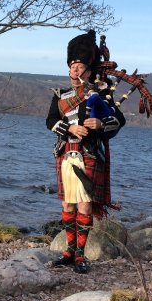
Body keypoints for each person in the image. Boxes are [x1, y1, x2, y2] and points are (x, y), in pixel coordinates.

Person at [46, 30, 125, 274]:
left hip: (90, 153)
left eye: (79, 66)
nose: (75, 71)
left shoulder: (102, 95)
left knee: (85, 206)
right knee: (68, 204)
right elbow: (50, 121)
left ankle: (80, 255)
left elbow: (119, 120)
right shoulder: (60, 97)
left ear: (90, 70)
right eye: (72, 67)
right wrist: (69, 127)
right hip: (66, 153)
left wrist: (101, 124)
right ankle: (68, 252)